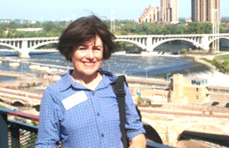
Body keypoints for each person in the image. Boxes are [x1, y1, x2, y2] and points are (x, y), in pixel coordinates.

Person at [35, 15, 146, 148]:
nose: (90, 56)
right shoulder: (54, 94)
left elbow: (136, 134)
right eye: (82, 48)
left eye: (96, 49)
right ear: (70, 51)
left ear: (104, 52)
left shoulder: (117, 86)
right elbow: (46, 144)